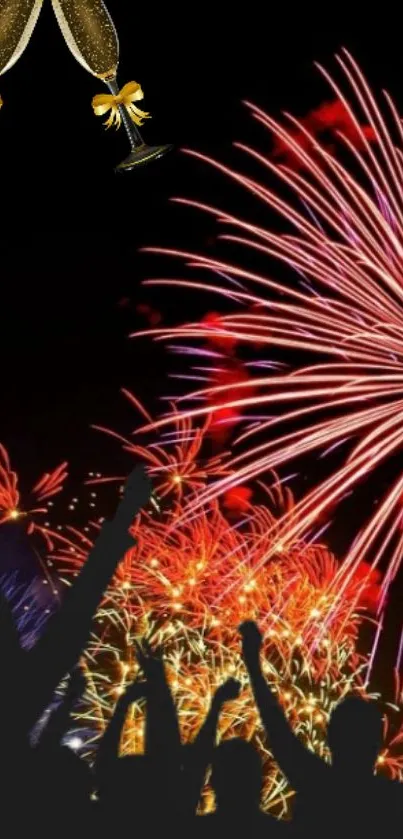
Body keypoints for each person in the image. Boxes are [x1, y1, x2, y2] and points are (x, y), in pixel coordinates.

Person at [240, 620, 403, 837]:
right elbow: (277, 730)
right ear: (376, 744)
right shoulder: (392, 799)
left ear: (331, 739)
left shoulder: (317, 783)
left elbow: (277, 729)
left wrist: (252, 662)